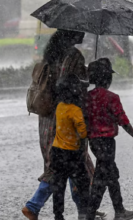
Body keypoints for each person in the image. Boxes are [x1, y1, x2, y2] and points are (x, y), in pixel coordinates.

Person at [22, 30, 105, 220]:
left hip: (48, 119)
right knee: (72, 166)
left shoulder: (50, 54)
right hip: (67, 119)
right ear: (71, 34)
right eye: (80, 30)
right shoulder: (73, 56)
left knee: (63, 164)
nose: (84, 33)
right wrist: (90, 77)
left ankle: (84, 208)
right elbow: (72, 86)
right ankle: (34, 206)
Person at [86, 58, 133, 220]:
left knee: (107, 175)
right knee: (105, 176)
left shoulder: (86, 97)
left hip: (93, 143)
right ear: (108, 78)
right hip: (107, 143)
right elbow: (123, 120)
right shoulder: (111, 97)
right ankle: (111, 212)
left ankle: (105, 211)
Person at [51, 74, 91, 220]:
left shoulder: (59, 107)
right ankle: (84, 212)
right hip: (72, 154)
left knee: (59, 187)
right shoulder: (76, 110)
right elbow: (83, 133)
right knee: (83, 183)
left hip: (56, 152)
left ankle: (58, 215)